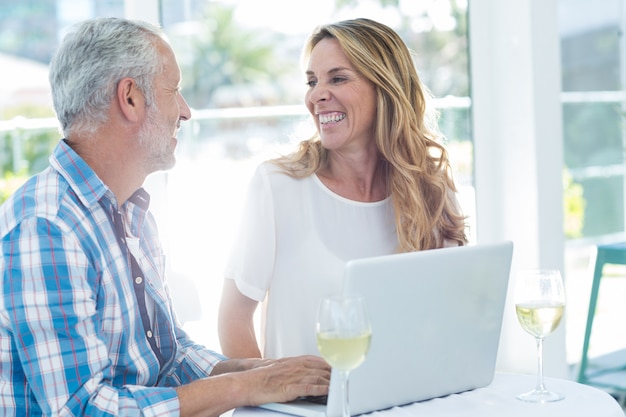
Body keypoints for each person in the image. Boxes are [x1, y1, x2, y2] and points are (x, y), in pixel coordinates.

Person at [0, 17, 329, 417]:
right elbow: (82, 409)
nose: (186, 111)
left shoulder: (130, 211)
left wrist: (266, 373)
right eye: (174, 90)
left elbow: (170, 356)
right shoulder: (46, 227)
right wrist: (245, 386)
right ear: (131, 98)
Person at [218, 18, 468, 360]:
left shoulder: (431, 188)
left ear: (386, 87)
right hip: (301, 412)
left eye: (337, 78)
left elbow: (453, 314)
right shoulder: (278, 186)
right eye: (311, 81)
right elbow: (233, 320)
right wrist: (268, 401)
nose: (316, 95)